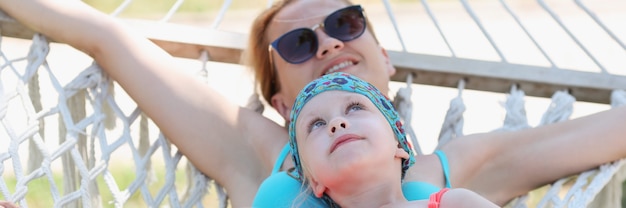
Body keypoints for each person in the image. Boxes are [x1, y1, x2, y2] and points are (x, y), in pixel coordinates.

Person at [0, 0, 625, 207]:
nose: (328, 41)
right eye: (299, 43)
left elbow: (599, 135)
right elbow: (109, 37)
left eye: (346, 22)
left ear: (387, 63)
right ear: (279, 103)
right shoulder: (256, 154)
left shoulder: (452, 173)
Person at [286, 72, 499, 208]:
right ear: (315, 181)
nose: (337, 122)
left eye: (355, 108)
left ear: (399, 145)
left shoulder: (454, 204)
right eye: (316, 124)